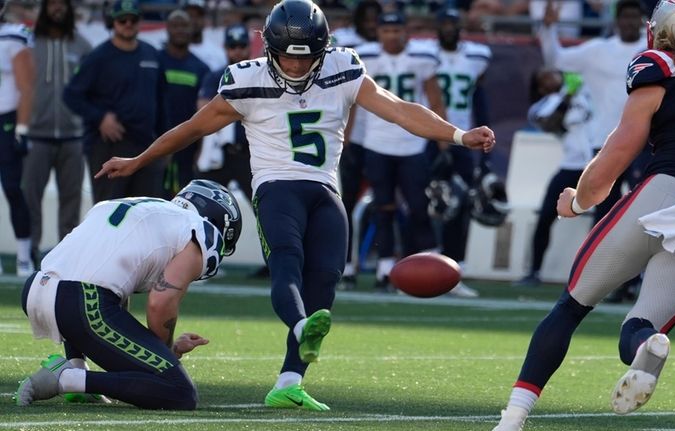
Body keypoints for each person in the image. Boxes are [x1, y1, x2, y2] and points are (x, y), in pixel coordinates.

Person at [96, 0, 495, 411]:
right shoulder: (245, 80)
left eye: (305, 57)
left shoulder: (343, 68)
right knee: (287, 261)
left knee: (325, 279)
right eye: (286, 55)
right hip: (276, 187)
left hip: (325, 190)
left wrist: (460, 135)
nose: (296, 66)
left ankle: (289, 380)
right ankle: (301, 324)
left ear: (323, 49)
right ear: (269, 47)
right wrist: (138, 160)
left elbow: (398, 110)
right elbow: (191, 129)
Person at [493, 0, 675, 429]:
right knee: (638, 331)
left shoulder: (662, 67)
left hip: (665, 195)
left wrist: (578, 201)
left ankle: (513, 418)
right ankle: (648, 343)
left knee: (570, 307)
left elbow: (619, 150)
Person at [15, 179, 243, 409]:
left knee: (109, 290)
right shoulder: (200, 230)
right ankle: (67, 379)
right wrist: (166, 357)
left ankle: (76, 366)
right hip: (81, 302)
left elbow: (95, 272)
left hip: (37, 287)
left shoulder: (138, 207)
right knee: (180, 391)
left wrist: (166, 350)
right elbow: (160, 302)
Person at [355, 11, 446, 292]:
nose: (391, 36)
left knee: (419, 206)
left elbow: (434, 100)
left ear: (406, 31)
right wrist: (346, 141)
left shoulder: (423, 58)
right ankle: (384, 268)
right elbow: (351, 102)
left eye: (396, 31)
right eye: (386, 31)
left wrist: (443, 143)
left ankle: (434, 264)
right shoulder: (364, 56)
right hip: (376, 142)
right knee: (382, 207)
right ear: (378, 33)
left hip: (412, 143)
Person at [537, 0, 647, 226]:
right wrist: (548, 29)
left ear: (643, 21)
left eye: (634, 16)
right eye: (625, 16)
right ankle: (595, 260)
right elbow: (555, 59)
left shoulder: (653, 50)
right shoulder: (597, 50)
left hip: (645, 142)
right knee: (604, 214)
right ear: (616, 21)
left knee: (646, 208)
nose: (629, 22)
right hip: (606, 141)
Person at [63, 0, 167, 204]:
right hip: (109, 145)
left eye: (133, 19)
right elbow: (71, 95)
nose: (128, 23)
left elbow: (161, 101)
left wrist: (165, 143)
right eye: (122, 20)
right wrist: (100, 118)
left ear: (139, 22)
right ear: (113, 23)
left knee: (147, 212)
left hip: (147, 146)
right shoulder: (99, 57)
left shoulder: (151, 54)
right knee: (109, 211)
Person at [428, 8, 493, 298]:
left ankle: (455, 272)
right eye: (443, 23)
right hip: (427, 136)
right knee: (424, 203)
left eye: (453, 23)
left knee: (463, 204)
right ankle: (420, 267)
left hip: (463, 139)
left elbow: (478, 95)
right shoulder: (423, 55)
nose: (448, 29)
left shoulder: (477, 56)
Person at [23, 0, 91, 269]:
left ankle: (66, 260)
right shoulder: (28, 45)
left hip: (73, 137)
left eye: (62, 4)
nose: (57, 8)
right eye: (51, 4)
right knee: (30, 200)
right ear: (43, 9)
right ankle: (27, 255)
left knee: (71, 204)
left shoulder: (83, 46)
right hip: (34, 136)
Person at [522, 69, 594, 286]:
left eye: (553, 73)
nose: (553, 77)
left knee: (605, 219)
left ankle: (593, 276)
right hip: (571, 166)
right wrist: (566, 97)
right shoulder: (543, 105)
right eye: (545, 77)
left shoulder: (587, 91)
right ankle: (534, 271)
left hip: (599, 163)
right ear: (541, 87)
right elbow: (549, 123)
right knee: (545, 216)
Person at [332, 0, 382, 290]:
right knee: (345, 202)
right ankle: (346, 265)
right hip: (351, 134)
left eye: (377, 17)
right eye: (368, 17)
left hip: (379, 134)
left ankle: (384, 266)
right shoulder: (344, 43)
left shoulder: (389, 50)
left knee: (385, 205)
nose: (373, 22)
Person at [195, 23, 253, 201]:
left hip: (250, 154)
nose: (237, 51)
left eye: (242, 46)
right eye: (232, 46)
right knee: (205, 205)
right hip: (220, 152)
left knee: (265, 208)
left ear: (249, 47)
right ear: (225, 48)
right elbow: (202, 110)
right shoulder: (216, 76)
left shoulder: (259, 75)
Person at [158, 9, 210, 197]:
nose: (180, 30)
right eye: (175, 25)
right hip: (156, 143)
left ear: (192, 29)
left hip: (187, 146)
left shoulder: (201, 68)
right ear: (167, 29)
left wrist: (201, 148)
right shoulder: (155, 62)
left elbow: (206, 114)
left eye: (184, 25)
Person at [0, 0, 35, 276]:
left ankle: (24, 256)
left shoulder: (13, 35)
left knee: (13, 188)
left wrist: (22, 128)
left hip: (7, 119)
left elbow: (26, 87)